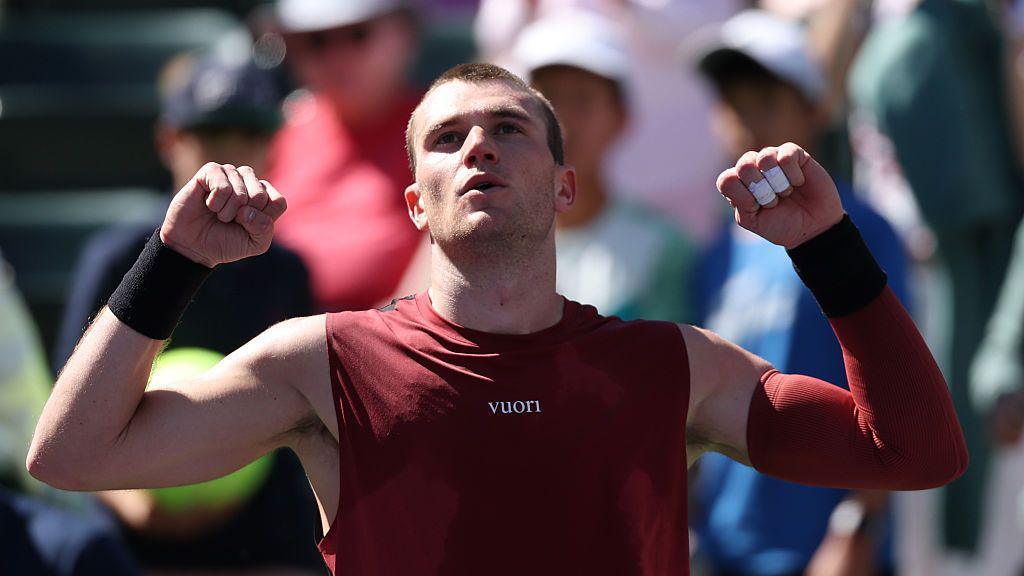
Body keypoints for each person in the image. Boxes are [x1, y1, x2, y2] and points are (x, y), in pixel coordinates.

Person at [28, 63, 967, 575]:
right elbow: (73, 457)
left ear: (564, 185)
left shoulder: (675, 366)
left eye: (509, 127)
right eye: (447, 137)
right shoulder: (319, 360)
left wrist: (828, 247)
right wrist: (175, 260)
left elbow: (918, 454)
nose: (479, 143)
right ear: (414, 204)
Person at [51, 51, 324, 572]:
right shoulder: (117, 255)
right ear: (168, 140)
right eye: (212, 132)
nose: (232, 152)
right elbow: (69, 404)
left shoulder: (287, 271)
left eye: (250, 132)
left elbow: (300, 418)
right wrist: (142, 506)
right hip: (129, 537)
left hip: (257, 534)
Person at [688, 10, 907, 576]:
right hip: (725, 547)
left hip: (826, 549)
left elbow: (899, 383)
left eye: (766, 100)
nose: (745, 122)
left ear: (814, 111)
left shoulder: (862, 231)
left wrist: (857, 525)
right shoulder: (715, 250)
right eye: (732, 103)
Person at [512, 12, 693, 322]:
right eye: (547, 99)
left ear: (620, 118)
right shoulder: (486, 234)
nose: (563, 123)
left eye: (582, 100)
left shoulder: (662, 245)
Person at [267, 0, 427, 311]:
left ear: (405, 33)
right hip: (274, 338)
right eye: (317, 41)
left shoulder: (447, 131)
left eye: (358, 34)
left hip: (399, 342)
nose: (337, 57)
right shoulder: (279, 129)